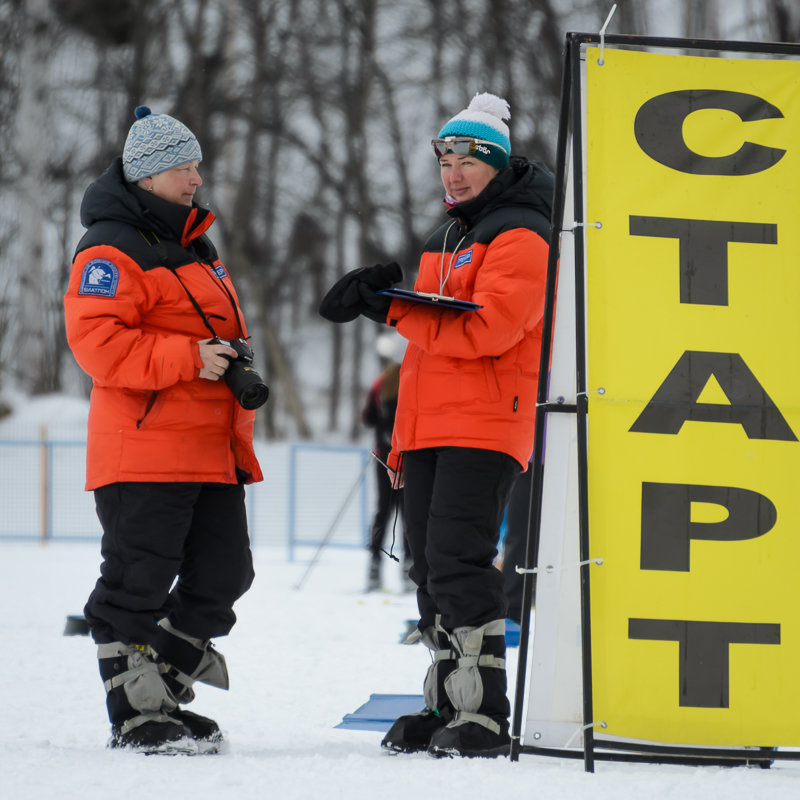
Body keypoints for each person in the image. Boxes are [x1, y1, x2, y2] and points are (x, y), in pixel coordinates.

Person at [319, 92, 552, 757]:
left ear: (498, 164)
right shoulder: (450, 234)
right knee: (428, 568)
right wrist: (387, 296)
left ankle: (484, 713)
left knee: (457, 558)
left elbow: (488, 329)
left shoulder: (521, 231)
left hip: (483, 422)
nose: (453, 172)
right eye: (445, 159)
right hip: (427, 426)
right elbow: (433, 337)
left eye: (468, 159)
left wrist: (387, 310)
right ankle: (448, 701)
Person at [64, 106, 265, 754]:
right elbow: (98, 345)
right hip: (145, 450)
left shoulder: (196, 251)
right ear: (149, 176)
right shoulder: (109, 249)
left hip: (208, 448)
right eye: (186, 168)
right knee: (137, 581)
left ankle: (164, 682)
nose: (197, 180)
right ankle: (137, 710)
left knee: (225, 574)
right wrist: (191, 357)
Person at [362, 336, 409, 592]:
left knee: (383, 509)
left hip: (383, 456)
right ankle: (409, 565)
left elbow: (367, 417)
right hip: (409, 456)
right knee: (408, 512)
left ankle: (374, 564)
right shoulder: (414, 380)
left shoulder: (381, 383)